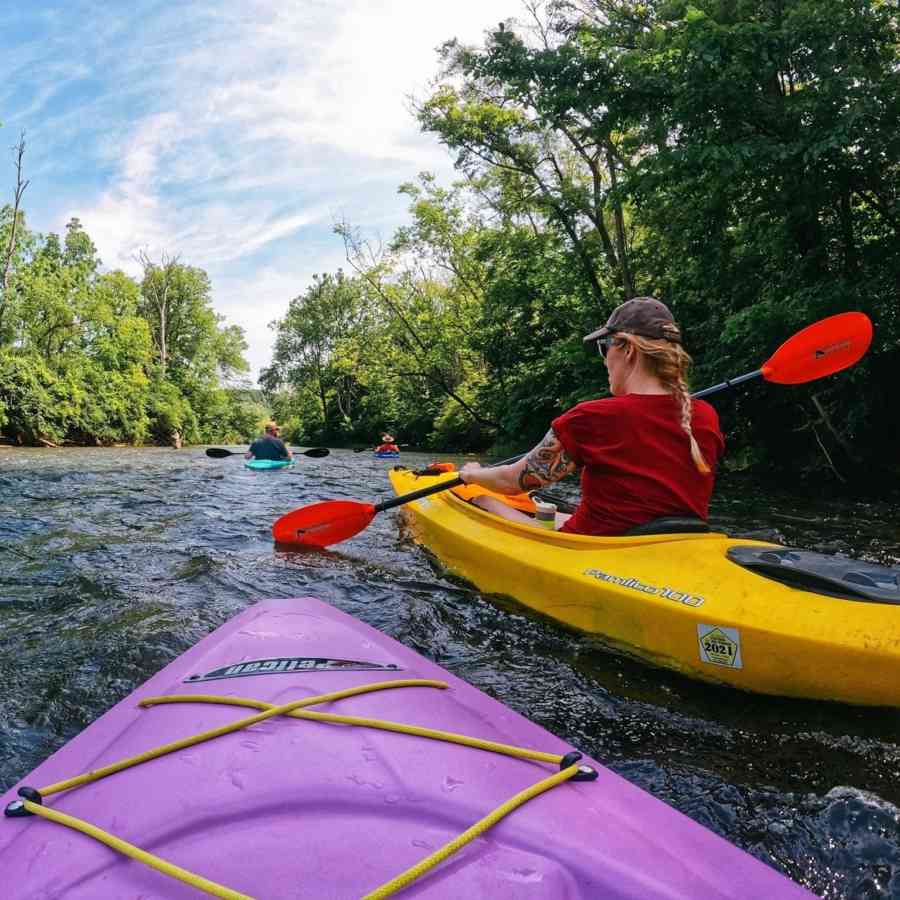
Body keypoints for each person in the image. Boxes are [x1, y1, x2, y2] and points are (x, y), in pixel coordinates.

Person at [459, 297, 724, 536]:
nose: (604, 360)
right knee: (551, 514)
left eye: (604, 348)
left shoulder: (591, 417)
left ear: (627, 349)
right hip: (672, 543)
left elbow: (511, 482)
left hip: (593, 547)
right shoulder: (705, 415)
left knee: (483, 500)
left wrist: (472, 475)